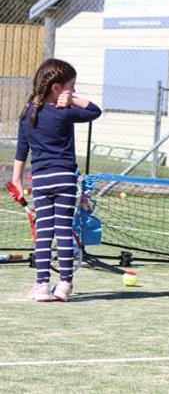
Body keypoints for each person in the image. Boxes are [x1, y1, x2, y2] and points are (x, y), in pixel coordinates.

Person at [12, 59, 102, 302]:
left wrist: (16, 179)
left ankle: (42, 285)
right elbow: (95, 110)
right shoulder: (64, 111)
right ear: (56, 88)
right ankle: (64, 284)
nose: (73, 92)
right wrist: (73, 100)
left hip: (40, 181)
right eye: (71, 87)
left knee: (43, 233)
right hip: (64, 179)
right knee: (63, 230)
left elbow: (22, 150)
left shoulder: (27, 113)